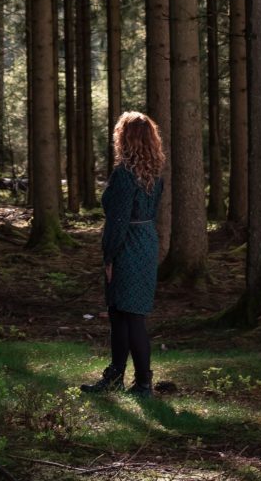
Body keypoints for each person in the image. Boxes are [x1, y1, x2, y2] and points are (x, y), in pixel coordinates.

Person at [81, 110, 166, 398]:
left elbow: (117, 221)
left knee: (128, 316)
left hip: (128, 245)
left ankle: (141, 383)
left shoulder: (124, 176)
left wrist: (109, 257)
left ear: (124, 139)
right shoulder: (154, 175)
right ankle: (120, 377)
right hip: (146, 241)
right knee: (125, 314)